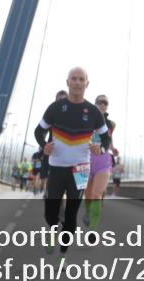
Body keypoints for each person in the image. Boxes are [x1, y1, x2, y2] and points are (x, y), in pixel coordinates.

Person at [35, 67, 111, 255]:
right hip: (57, 167)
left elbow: (106, 138)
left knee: (71, 214)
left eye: (81, 79)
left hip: (81, 169)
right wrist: (44, 144)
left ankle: (63, 253)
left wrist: (100, 148)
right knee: (50, 212)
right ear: (67, 82)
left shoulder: (93, 112)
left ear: (87, 83)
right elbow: (39, 131)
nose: (77, 82)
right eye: (74, 79)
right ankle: (53, 229)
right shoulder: (55, 108)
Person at [82, 94, 116, 229]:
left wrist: (113, 149)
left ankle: (92, 229)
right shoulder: (86, 120)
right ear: (95, 104)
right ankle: (88, 212)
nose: (103, 105)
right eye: (100, 102)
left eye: (105, 103)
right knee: (88, 194)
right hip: (86, 160)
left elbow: (109, 140)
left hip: (103, 160)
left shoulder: (111, 124)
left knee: (96, 193)